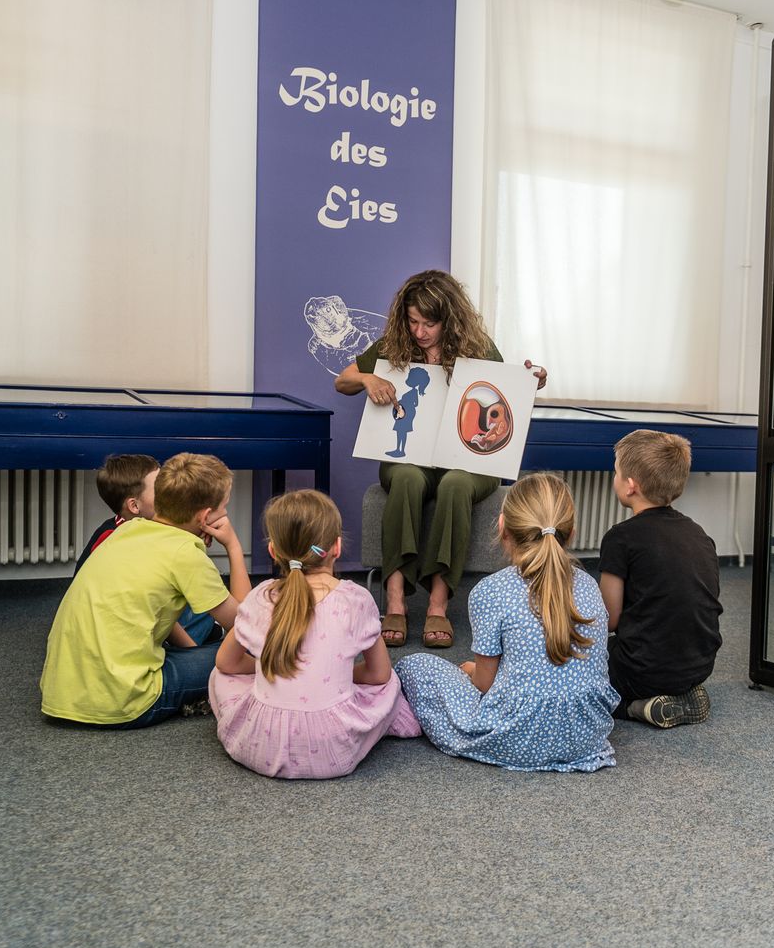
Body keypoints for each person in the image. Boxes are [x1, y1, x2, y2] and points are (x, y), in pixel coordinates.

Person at [335, 270, 547, 649]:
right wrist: (367, 380)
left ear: (449, 319)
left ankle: (438, 604)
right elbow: (343, 380)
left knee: (456, 483)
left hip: (468, 464)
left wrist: (533, 380)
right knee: (406, 478)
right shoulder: (395, 344)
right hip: (411, 459)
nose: (419, 332)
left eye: (429, 324)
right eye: (413, 321)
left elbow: (506, 391)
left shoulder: (477, 346)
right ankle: (395, 601)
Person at [393, 473, 620, 772]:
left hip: (516, 739)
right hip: (585, 737)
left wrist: (472, 671)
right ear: (572, 533)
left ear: (503, 527)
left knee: (415, 665)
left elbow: (484, 684)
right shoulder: (589, 585)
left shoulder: (490, 591)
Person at [209, 489, 421, 778]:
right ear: (337, 547)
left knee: (219, 677)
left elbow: (226, 664)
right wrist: (337, 674)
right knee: (391, 683)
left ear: (273, 551)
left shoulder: (260, 596)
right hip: (334, 749)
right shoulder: (356, 600)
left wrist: (270, 666)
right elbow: (379, 674)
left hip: (260, 746)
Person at [40, 453, 251, 728]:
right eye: (224, 507)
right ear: (205, 516)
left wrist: (193, 656)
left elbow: (160, 613)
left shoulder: (125, 530)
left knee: (201, 624)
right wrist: (233, 546)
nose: (225, 514)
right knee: (248, 654)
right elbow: (246, 625)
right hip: (124, 701)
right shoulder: (185, 554)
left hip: (62, 696)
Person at [598, 430, 722, 729]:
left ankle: (635, 708)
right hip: (699, 666)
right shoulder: (699, 534)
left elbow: (608, 620)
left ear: (631, 486)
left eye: (616, 472)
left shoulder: (620, 538)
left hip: (640, 671)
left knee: (575, 665)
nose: (614, 478)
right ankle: (678, 694)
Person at [75, 453, 217, 647]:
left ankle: (204, 631)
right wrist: (191, 650)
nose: (169, 490)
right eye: (160, 488)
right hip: (114, 629)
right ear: (134, 506)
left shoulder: (141, 529)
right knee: (202, 603)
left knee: (201, 600)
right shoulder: (114, 540)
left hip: (132, 614)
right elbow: (147, 603)